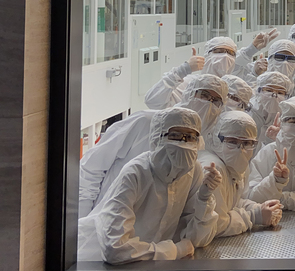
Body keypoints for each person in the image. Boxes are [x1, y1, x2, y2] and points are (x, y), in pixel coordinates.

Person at [77, 107, 219, 264]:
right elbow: (115, 248)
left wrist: (204, 198)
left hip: (143, 265)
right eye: (175, 135)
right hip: (93, 261)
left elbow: (195, 241)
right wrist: (174, 251)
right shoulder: (136, 173)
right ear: (157, 137)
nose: (183, 143)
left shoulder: (194, 172)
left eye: (190, 137)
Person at [78, 74, 229, 217]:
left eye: (216, 101)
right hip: (102, 218)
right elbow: (91, 167)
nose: (209, 103)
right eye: (203, 95)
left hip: (144, 238)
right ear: (188, 93)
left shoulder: (199, 149)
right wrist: (82, 218)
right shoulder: (144, 122)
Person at [198, 111, 283, 237]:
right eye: (232, 141)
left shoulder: (235, 167)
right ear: (216, 139)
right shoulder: (213, 168)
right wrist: (254, 216)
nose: (240, 149)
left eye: (247, 143)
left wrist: (258, 208)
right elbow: (214, 225)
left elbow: (232, 203)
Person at [144, 37, 237, 110]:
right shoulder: (187, 85)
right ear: (207, 55)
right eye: (219, 51)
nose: (225, 56)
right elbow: (152, 101)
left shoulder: (236, 92)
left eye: (230, 53)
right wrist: (184, 69)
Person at [249, 71, 293, 150]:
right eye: (269, 90)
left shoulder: (287, 119)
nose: (274, 96)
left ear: (287, 96)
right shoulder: (248, 113)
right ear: (258, 91)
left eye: (280, 92)